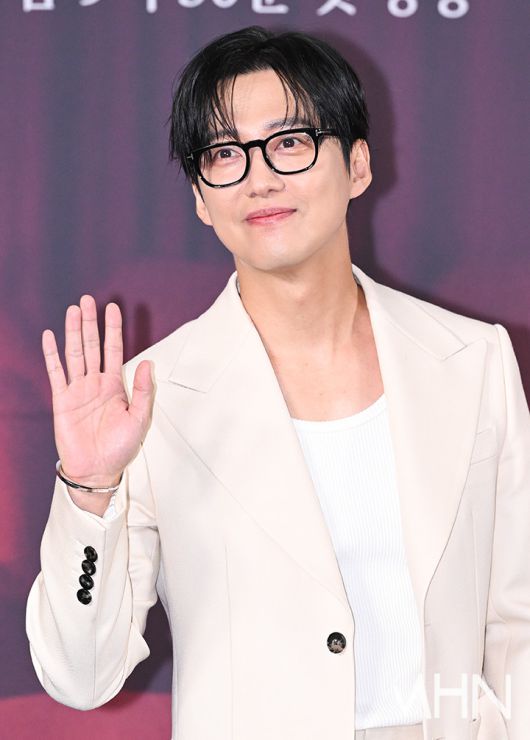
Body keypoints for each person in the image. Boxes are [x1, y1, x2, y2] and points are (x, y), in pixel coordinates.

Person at [26, 25, 529, 740]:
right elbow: (81, 677)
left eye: (289, 142)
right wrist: (88, 488)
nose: (258, 178)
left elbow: (517, 618)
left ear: (358, 165)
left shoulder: (473, 360)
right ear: (201, 198)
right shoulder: (149, 399)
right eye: (224, 154)